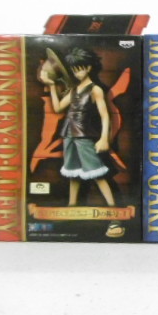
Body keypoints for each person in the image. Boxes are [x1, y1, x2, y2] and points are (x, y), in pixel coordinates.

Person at [40, 48, 123, 238]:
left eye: (80, 69)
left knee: (98, 175)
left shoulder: (95, 89)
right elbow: (58, 108)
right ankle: (72, 209)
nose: (77, 73)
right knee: (73, 174)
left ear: (88, 68)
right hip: (69, 135)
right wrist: (52, 86)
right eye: (74, 69)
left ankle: (114, 216)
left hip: (85, 136)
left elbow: (105, 115)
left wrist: (104, 138)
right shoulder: (74, 90)